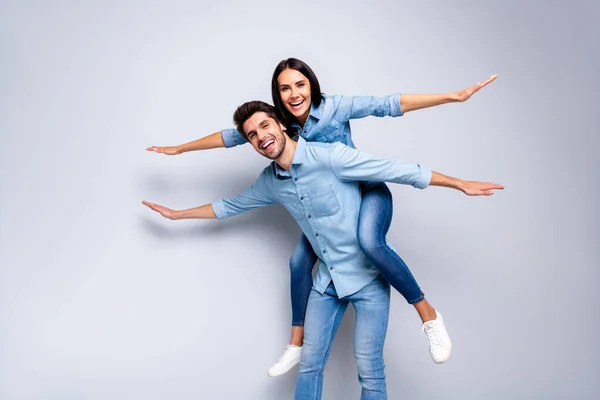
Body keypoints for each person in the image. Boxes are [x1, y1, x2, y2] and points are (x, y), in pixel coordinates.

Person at [147, 58, 498, 374]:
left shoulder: (334, 107)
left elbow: (391, 105)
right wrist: (180, 149)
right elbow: (232, 136)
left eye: (300, 85)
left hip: (366, 189)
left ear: (311, 85)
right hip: (328, 205)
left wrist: (453, 97)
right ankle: (296, 343)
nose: (294, 93)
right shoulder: (278, 123)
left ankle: (428, 315)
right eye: (285, 88)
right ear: (278, 95)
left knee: (370, 243)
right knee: (299, 262)